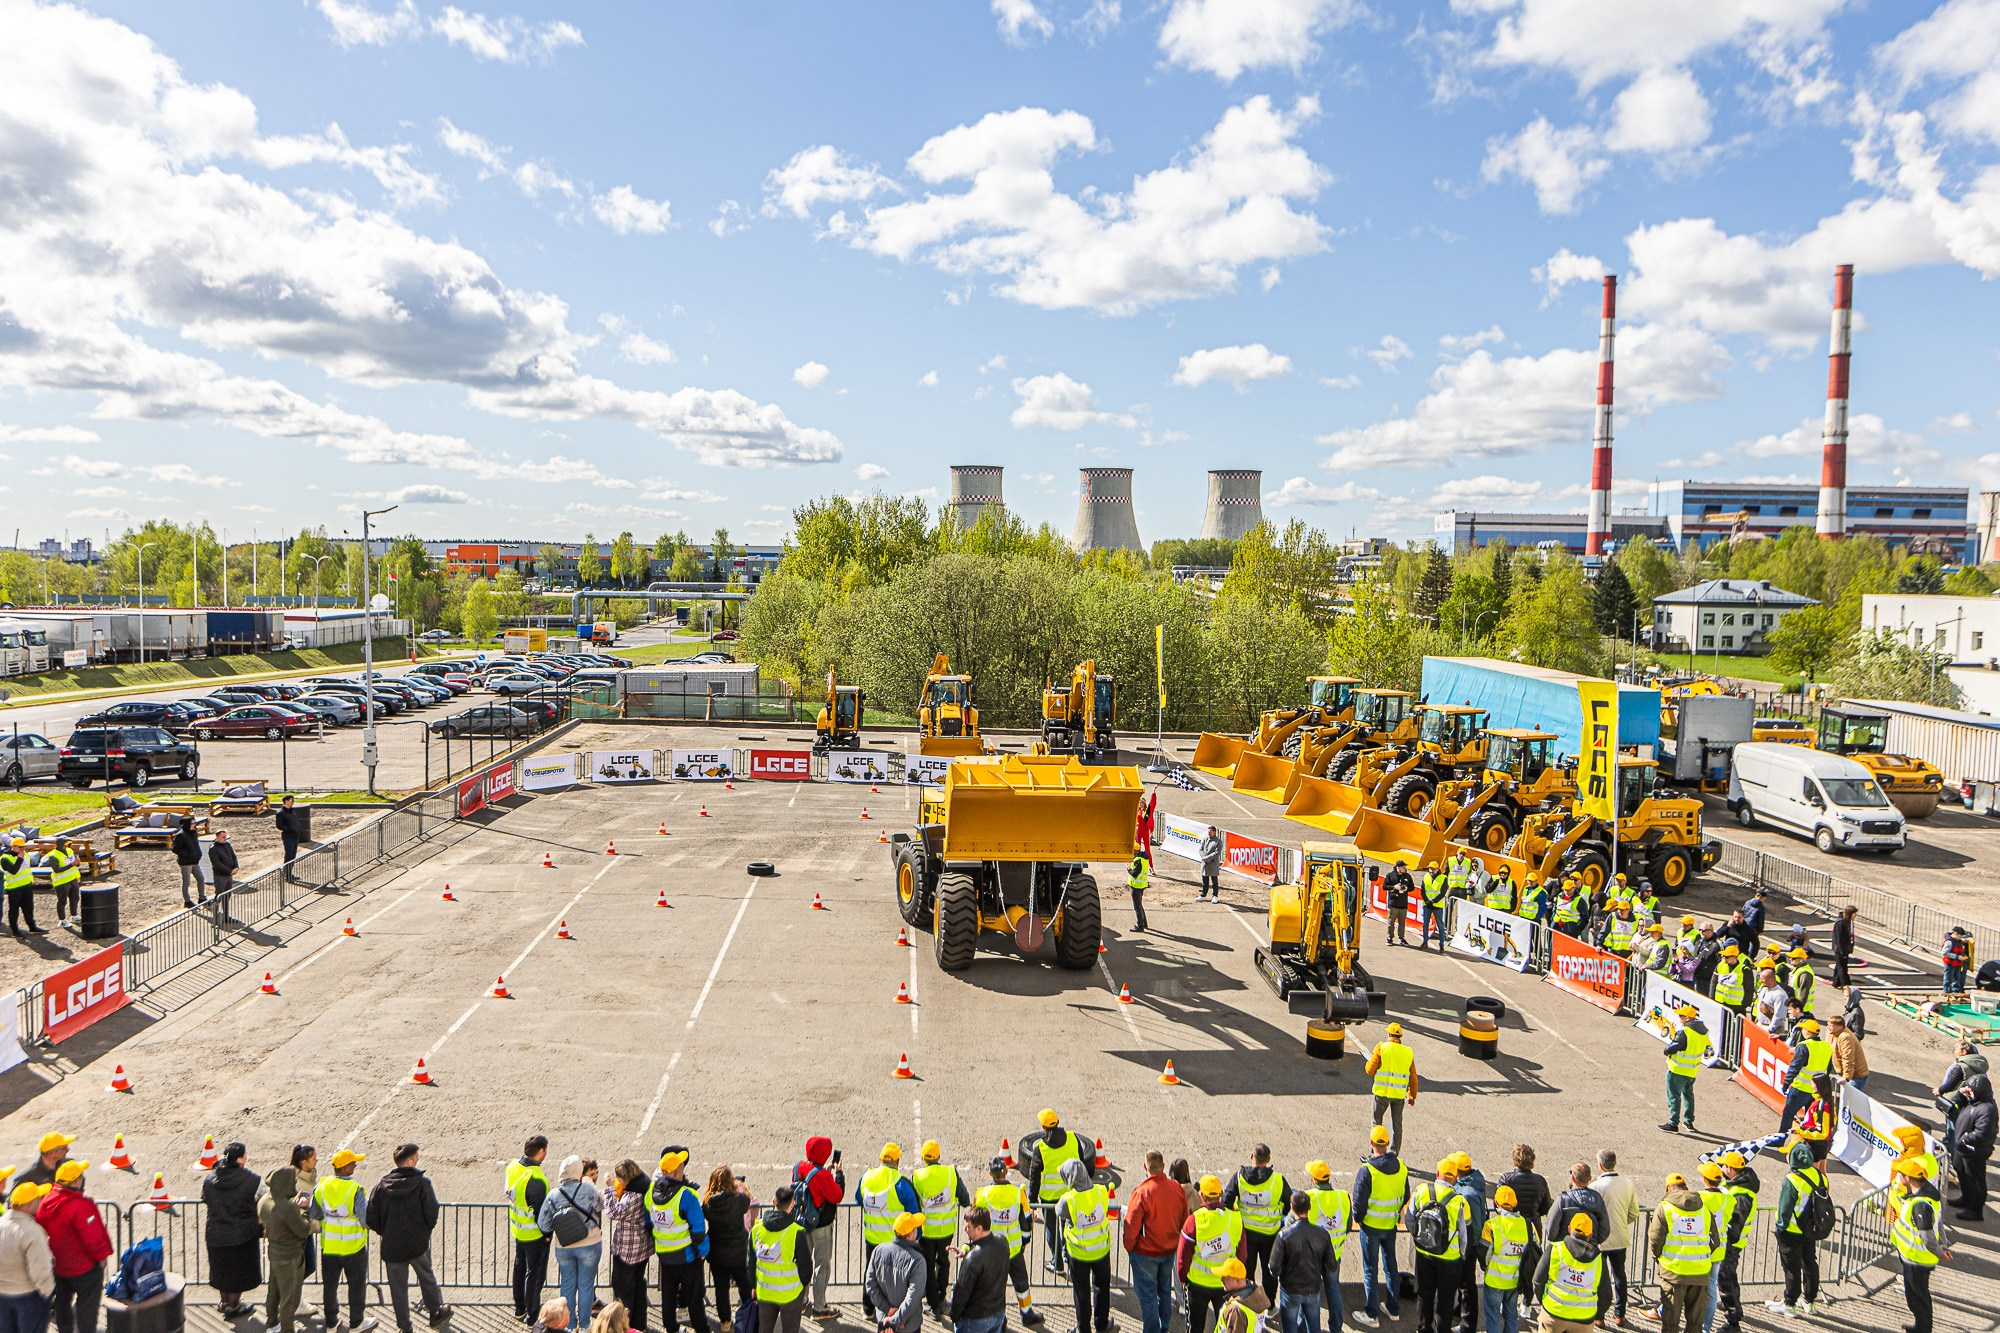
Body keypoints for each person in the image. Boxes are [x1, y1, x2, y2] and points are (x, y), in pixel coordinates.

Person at [367, 1144, 451, 1333]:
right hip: (417, 1244)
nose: (419, 1159)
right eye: (417, 1157)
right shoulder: (422, 1184)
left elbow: (371, 1216)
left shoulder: (381, 1186)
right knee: (427, 1278)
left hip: (392, 1246)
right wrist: (423, 1232)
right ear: (410, 1162)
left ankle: (405, 1327)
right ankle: (436, 1313)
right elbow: (432, 1213)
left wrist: (386, 1232)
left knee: (398, 1289)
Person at [37, 1161, 109, 1333]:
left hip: (59, 1266)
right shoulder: (81, 1206)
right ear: (76, 1181)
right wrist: (101, 1257)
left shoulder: (46, 1202)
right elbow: (93, 1238)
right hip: (84, 1268)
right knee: (87, 1306)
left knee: (62, 1302)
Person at [973, 1158, 1044, 1328]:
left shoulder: (982, 1194)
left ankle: (1000, 1320)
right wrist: (1024, 1242)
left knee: (995, 1287)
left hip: (992, 1252)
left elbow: (974, 1221)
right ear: (1006, 1172)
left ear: (990, 1173)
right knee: (1021, 1283)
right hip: (1013, 1249)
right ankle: (1027, 1314)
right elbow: (1027, 1220)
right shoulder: (1017, 1193)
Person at [644, 1148, 709, 1333]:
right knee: (694, 1299)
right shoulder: (686, 1195)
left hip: (665, 1255)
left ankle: (672, 1328)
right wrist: (702, 1251)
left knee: (668, 1296)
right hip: (687, 1257)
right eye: (681, 1167)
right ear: (676, 1173)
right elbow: (698, 1228)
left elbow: (648, 1222)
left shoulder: (650, 1193)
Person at [312, 1149, 376, 1333]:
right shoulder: (355, 1190)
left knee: (329, 1287)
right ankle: (356, 1323)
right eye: (353, 1163)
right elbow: (364, 1220)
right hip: (353, 1248)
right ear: (346, 1167)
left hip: (329, 1247)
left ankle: (331, 1323)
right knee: (356, 1287)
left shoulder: (321, 1187)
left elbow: (315, 1213)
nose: (355, 1165)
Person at [1122, 1151, 1185, 1333]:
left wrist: (1130, 1247)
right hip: (1168, 1251)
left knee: (1148, 1297)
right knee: (1164, 1292)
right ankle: (1163, 1327)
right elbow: (1184, 1219)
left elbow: (1131, 1226)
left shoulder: (1141, 1192)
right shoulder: (1176, 1188)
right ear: (1163, 1166)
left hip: (1145, 1254)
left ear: (1145, 1167)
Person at [1404, 1158, 1470, 1333]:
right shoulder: (1460, 1202)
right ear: (1455, 1178)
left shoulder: (1422, 1190)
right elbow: (1464, 1236)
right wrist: (1461, 1256)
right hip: (1449, 1260)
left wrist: (1419, 1240)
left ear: (1437, 1173)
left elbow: (1409, 1218)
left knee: (1424, 1295)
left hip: (1424, 1254)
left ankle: (1424, 1329)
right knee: (1445, 1301)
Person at [1018, 1112, 1087, 1277]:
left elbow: (1034, 1177)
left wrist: (1032, 1202)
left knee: (1052, 1230)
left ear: (1043, 1127)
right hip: (1070, 1194)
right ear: (1058, 1122)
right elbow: (1082, 1163)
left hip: (1049, 1199)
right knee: (1069, 1227)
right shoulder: (1073, 1138)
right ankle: (1070, 1257)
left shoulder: (1040, 1148)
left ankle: (1057, 1263)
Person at [858, 1145, 923, 1317]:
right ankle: (894, 1310)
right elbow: (914, 1212)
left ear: (880, 1159)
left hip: (872, 1238)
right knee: (895, 1277)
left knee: (871, 1273)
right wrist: (917, 1237)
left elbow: (859, 1198)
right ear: (897, 1161)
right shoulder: (901, 1183)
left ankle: (868, 1307)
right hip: (895, 1242)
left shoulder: (866, 1178)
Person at [1647, 1174, 1717, 1333]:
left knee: (1671, 1322)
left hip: (1674, 1273)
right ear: (1685, 1186)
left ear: (1668, 1188)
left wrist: (1659, 1257)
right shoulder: (1703, 1209)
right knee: (1695, 1323)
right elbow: (1715, 1241)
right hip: (1700, 1273)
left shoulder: (1665, 1208)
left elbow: (1655, 1239)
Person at [1353, 1127, 1405, 1330]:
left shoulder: (1368, 1170)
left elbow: (1359, 1202)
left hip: (1371, 1227)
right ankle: (1393, 1308)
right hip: (1390, 1224)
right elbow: (1405, 1194)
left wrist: (1359, 1219)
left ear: (1371, 1143)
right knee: (1391, 1266)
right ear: (1388, 1143)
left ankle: (1371, 1313)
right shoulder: (1401, 1166)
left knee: (1370, 1270)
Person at [1179, 1174, 1245, 1333]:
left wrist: (1182, 1278)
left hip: (1197, 1284)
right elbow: (1242, 1255)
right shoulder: (1235, 1219)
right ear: (1221, 1193)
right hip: (1225, 1284)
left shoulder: (1193, 1221)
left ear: (1201, 1195)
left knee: (1195, 1328)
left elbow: (1183, 1256)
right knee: (1226, 1327)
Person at [1765, 1142, 1825, 1318]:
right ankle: (1809, 1301)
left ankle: (1789, 1304)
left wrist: (1780, 1228)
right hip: (1810, 1229)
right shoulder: (1817, 1175)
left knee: (1792, 1268)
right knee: (1810, 1264)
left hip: (1791, 1231)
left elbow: (1785, 1209)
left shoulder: (1791, 1179)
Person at [547, 1158, 606, 1333]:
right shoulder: (588, 1189)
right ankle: (585, 1325)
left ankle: (570, 1325)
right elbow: (602, 1204)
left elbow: (544, 1223)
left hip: (564, 1245)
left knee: (567, 1284)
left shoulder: (554, 1194)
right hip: (589, 1243)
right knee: (586, 1285)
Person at [910, 1143, 967, 1321]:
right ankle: (941, 1299)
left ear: (923, 1158)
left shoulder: (917, 1176)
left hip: (926, 1231)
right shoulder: (950, 1172)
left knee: (927, 1265)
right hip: (946, 1230)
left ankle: (932, 1304)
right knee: (943, 1263)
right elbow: (965, 1198)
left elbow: (913, 1203)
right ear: (938, 1157)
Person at [205, 1142, 262, 1318]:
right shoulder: (252, 1180)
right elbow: (261, 1198)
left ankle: (225, 1303)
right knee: (238, 1273)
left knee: (222, 1271)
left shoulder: (210, 1179)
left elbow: (205, 1197)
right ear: (240, 1159)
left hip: (216, 1233)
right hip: (242, 1235)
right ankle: (233, 1306)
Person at [1221, 1145, 1286, 1300]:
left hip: (1246, 1234)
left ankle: (1248, 1301)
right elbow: (1290, 1204)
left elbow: (1225, 1202)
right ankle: (1269, 1304)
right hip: (1270, 1234)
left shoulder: (1239, 1177)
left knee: (1246, 1270)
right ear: (1268, 1159)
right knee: (1269, 1271)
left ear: (1252, 1156)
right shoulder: (1277, 1180)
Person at [789, 1139, 845, 1319]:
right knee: (822, 1266)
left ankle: (802, 1300)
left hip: (802, 1222)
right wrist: (838, 1174)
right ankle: (819, 1307)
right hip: (821, 1225)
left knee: (803, 1263)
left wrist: (823, 1171)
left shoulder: (798, 1167)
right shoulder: (822, 1176)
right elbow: (837, 1195)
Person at [261, 1161, 319, 1333]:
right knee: (290, 1299)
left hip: (275, 1252)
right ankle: (287, 1329)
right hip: (291, 1257)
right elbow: (303, 1229)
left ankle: (272, 1323)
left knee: (274, 1291)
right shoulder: (289, 1208)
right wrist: (303, 1210)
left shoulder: (265, 1201)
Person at [1055, 1159, 1111, 1333]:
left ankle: (1083, 1329)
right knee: (1102, 1289)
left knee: (1082, 1294)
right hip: (1101, 1251)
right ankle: (1102, 1325)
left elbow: (1059, 1212)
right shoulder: (1101, 1191)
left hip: (1079, 1255)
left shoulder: (1067, 1200)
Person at [1890, 1157, 1945, 1333]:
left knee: (1917, 1299)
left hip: (1917, 1259)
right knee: (1919, 1297)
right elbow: (1939, 1223)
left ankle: (1922, 1329)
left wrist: (1940, 1251)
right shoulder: (1926, 1196)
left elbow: (1927, 1235)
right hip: (1915, 1257)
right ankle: (1921, 1327)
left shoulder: (1920, 1204)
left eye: (1900, 1174)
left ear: (1907, 1177)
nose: (1898, 1177)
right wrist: (1942, 1244)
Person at [1269, 1191, 1335, 1333]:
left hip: (1290, 1290)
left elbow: (1274, 1268)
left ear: (1292, 1208)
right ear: (1310, 1207)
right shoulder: (1322, 1234)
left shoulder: (1284, 1235)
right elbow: (1331, 1265)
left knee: (1290, 1328)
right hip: (1312, 1288)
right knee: (1314, 1328)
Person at [750, 1186, 813, 1333]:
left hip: (765, 1292)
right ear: (792, 1204)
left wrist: (754, 1286)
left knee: (764, 1329)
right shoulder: (796, 1231)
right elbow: (805, 1266)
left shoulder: (756, 1229)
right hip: (790, 1294)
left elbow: (750, 1262)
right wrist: (802, 1286)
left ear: (773, 1201)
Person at [1533, 1216, 1606, 1333]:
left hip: (1553, 1314)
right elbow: (1606, 1295)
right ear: (1590, 1235)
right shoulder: (1599, 1259)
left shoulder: (1555, 1249)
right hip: (1583, 1320)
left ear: (1569, 1229)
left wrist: (1545, 1304)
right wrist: (1594, 1316)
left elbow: (1537, 1281)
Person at [508, 1137, 554, 1323]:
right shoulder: (536, 1179)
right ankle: (532, 1316)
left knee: (519, 1268)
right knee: (534, 1276)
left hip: (518, 1230)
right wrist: (547, 1234)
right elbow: (541, 1214)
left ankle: (520, 1308)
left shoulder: (513, 1167)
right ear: (541, 1151)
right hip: (534, 1235)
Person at [1300, 1162, 1349, 1333]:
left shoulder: (1307, 1197)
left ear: (1314, 1179)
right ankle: (1336, 1328)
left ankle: (1306, 1328)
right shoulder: (1342, 1196)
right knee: (1333, 1289)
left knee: (1308, 1294)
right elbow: (1348, 1224)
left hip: (1311, 1257)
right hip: (1334, 1254)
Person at [1710, 1154, 1757, 1333]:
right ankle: (1730, 1306)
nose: (1721, 1169)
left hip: (1730, 1245)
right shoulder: (1733, 1185)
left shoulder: (1742, 1195)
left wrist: (1724, 1239)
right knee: (1727, 1278)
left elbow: (1735, 1224)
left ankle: (1733, 1321)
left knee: (1726, 1279)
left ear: (1729, 1168)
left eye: (1723, 1166)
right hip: (1728, 1243)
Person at [0, 1181, 54, 1333]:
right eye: (38, 1199)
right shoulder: (32, 1231)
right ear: (30, 1204)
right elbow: (40, 1270)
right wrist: (48, 1291)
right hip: (28, 1297)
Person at [604, 1163, 651, 1333]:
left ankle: (623, 1326)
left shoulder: (632, 1196)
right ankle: (639, 1324)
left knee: (623, 1291)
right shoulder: (644, 1185)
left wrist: (610, 1188)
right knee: (638, 1285)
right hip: (642, 1246)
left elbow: (612, 1212)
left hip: (628, 1249)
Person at [700, 1167, 750, 1328]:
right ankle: (748, 1317)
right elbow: (747, 1201)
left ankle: (725, 1322)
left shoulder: (708, 1204)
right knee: (744, 1285)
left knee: (721, 1289)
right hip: (739, 1251)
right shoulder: (740, 1200)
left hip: (717, 1252)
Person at [1589, 1152, 1635, 1327]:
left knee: (1600, 1279)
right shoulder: (1627, 1184)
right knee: (1620, 1276)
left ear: (1600, 1165)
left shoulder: (1595, 1186)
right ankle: (1620, 1314)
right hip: (1620, 1237)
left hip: (1600, 1239)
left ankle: (1599, 1316)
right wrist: (1621, 1222)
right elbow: (1633, 1212)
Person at [1479, 1185, 1530, 1333]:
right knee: (1511, 1315)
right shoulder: (1528, 1226)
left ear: (1496, 1203)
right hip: (1515, 1280)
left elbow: (1484, 1255)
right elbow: (1534, 1252)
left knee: (1492, 1316)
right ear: (1515, 1203)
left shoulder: (1491, 1225)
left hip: (1494, 1281)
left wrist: (1485, 1267)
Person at [947, 1206, 1006, 1333]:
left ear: (979, 1228)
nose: (964, 1229)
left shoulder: (972, 1260)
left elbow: (961, 1293)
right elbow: (988, 1252)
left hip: (975, 1319)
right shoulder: (1002, 1242)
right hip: (998, 1312)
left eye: (968, 1227)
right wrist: (967, 1250)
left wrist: (954, 1316)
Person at [863, 1214, 925, 1333]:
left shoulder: (878, 1251)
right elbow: (913, 1297)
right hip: (908, 1326)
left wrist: (888, 1311)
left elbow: (870, 1285)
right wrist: (895, 1320)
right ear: (910, 1234)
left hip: (885, 1322)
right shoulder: (917, 1260)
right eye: (916, 1228)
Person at [1366, 1024, 1417, 1155]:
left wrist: (1368, 1063)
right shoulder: (1408, 1052)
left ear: (1389, 1034)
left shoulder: (1381, 1047)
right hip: (1399, 1096)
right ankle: (1394, 1153)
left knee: (1376, 1123)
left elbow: (1370, 1070)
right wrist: (1411, 1096)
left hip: (1381, 1094)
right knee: (1397, 1125)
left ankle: (1375, 1154)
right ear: (1400, 1037)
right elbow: (1413, 1078)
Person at [1660, 1004, 1711, 1133]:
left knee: (1673, 1096)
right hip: (1692, 1070)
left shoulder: (1685, 1032)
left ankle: (1673, 1123)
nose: (1679, 1018)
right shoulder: (1704, 1032)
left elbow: (1673, 1047)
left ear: (1688, 1018)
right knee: (1688, 1095)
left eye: (1681, 1015)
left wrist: (1666, 1051)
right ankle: (1689, 1122)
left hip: (1677, 1070)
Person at [1951, 1074, 1994, 1221]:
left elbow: (1982, 1133)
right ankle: (1966, 1199)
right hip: (1963, 1147)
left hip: (1974, 1151)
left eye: (1971, 1089)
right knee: (1962, 1173)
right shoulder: (1973, 1101)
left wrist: (1964, 1139)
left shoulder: (1987, 1109)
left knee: (1975, 1180)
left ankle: (1975, 1211)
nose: (1968, 1091)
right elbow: (1955, 1103)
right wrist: (1961, 1094)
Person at [1543, 1164, 1607, 1255]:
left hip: (1565, 1250)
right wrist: (1593, 1241)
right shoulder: (1597, 1199)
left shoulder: (1562, 1200)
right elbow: (1605, 1228)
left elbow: (1551, 1231)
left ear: (1572, 1178)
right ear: (1590, 1178)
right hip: (1589, 1251)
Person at [1214, 1258, 1269, 1333]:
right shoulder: (1254, 1294)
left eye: (1225, 1276)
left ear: (1237, 1280)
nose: (1221, 1279)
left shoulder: (1236, 1310)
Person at [0, 838, 39, 939]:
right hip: (14, 888)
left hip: (27, 886)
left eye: (24, 847)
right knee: (14, 910)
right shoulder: (5, 859)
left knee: (29, 908)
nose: (23, 849)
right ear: (14, 847)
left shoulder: (25, 854)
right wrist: (20, 859)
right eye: (20, 847)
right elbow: (13, 871)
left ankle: (32, 927)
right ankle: (15, 931)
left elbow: (27, 869)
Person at [45, 837, 80, 929]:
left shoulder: (69, 851)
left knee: (75, 898)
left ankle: (74, 916)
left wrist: (77, 863)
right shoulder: (53, 855)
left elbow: (75, 863)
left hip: (72, 879)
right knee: (62, 901)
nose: (66, 846)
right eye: (65, 845)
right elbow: (56, 869)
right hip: (61, 882)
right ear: (60, 845)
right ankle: (62, 920)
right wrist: (72, 865)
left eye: (68, 844)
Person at [171, 816, 207, 906]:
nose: (195, 825)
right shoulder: (180, 835)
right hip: (186, 863)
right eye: (192, 823)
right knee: (186, 882)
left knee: (201, 878)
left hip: (195, 861)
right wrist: (186, 854)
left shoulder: (194, 833)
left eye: (195, 823)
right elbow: (175, 849)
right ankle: (187, 901)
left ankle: (202, 898)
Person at [278, 794, 308, 884]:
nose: (293, 802)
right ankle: (286, 875)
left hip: (295, 836)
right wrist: (290, 829)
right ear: (286, 801)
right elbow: (279, 825)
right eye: (291, 800)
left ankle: (289, 873)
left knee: (293, 856)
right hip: (288, 837)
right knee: (289, 856)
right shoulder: (281, 813)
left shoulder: (292, 811)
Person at [1708, 947, 1748, 1015]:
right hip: (1720, 1002)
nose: (1724, 958)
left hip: (1736, 1006)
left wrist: (1745, 1004)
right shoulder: (1720, 965)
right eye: (1723, 956)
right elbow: (1713, 982)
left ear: (1734, 957)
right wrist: (1711, 998)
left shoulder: (1744, 970)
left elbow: (1749, 988)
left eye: (1727, 957)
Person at [1419, 862, 1449, 951]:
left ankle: (1441, 944)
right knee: (1425, 924)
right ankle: (1425, 942)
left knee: (1440, 925)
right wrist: (1426, 901)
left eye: (1433, 869)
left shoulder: (1443, 878)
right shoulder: (1426, 876)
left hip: (1437, 906)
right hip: (1427, 905)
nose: (1431, 870)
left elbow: (1443, 892)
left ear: (1437, 869)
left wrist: (1433, 901)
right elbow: (1423, 890)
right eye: (1430, 869)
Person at [1383, 863, 1413, 946]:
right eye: (1403, 867)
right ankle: (1390, 937)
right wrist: (1394, 887)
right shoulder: (1390, 875)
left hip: (1403, 903)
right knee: (1391, 922)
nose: (1405, 868)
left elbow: (1412, 887)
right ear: (1398, 868)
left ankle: (1401, 938)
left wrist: (1406, 889)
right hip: (1393, 903)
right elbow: (1384, 886)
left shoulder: (1407, 876)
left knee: (1402, 923)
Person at [1830, 905, 1857, 989]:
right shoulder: (1840, 923)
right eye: (1854, 914)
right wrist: (1842, 952)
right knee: (1842, 967)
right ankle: (1845, 985)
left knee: (1840, 965)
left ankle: (1836, 982)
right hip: (1840, 949)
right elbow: (1839, 939)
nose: (1855, 916)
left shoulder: (1848, 922)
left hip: (1845, 948)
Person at [208, 828, 239, 898]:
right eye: (223, 837)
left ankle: (226, 906)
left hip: (229, 875)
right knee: (219, 894)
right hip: (220, 876)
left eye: (225, 837)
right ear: (217, 837)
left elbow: (234, 856)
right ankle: (215, 905)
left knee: (228, 895)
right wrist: (230, 871)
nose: (225, 839)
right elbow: (217, 864)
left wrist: (236, 867)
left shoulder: (227, 845)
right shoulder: (213, 849)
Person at [1127, 847, 1153, 931]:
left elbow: (1135, 873)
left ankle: (1140, 926)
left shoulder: (1138, 860)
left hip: (1136, 886)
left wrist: (1128, 869)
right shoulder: (1143, 857)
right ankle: (1144, 923)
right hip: (1141, 885)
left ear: (1135, 850)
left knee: (1137, 906)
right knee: (1139, 905)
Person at [1943, 926, 1973, 995]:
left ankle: (1955, 993)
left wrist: (1963, 955)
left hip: (1957, 964)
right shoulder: (1949, 942)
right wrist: (1957, 957)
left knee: (1957, 979)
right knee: (1948, 979)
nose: (1961, 937)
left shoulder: (1958, 941)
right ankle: (1947, 993)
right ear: (1956, 933)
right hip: (1950, 963)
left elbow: (1959, 950)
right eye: (1960, 936)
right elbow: (1945, 953)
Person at [1198, 827, 1222, 903]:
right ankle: (1203, 895)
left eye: (1210, 832)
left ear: (1214, 832)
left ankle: (1215, 896)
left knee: (1214, 881)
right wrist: (1204, 858)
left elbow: (1217, 853)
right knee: (1205, 880)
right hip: (1205, 863)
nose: (1208, 833)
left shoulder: (1218, 841)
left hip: (1213, 863)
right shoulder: (1205, 839)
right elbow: (1200, 849)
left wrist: (1208, 858)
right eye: (1208, 832)